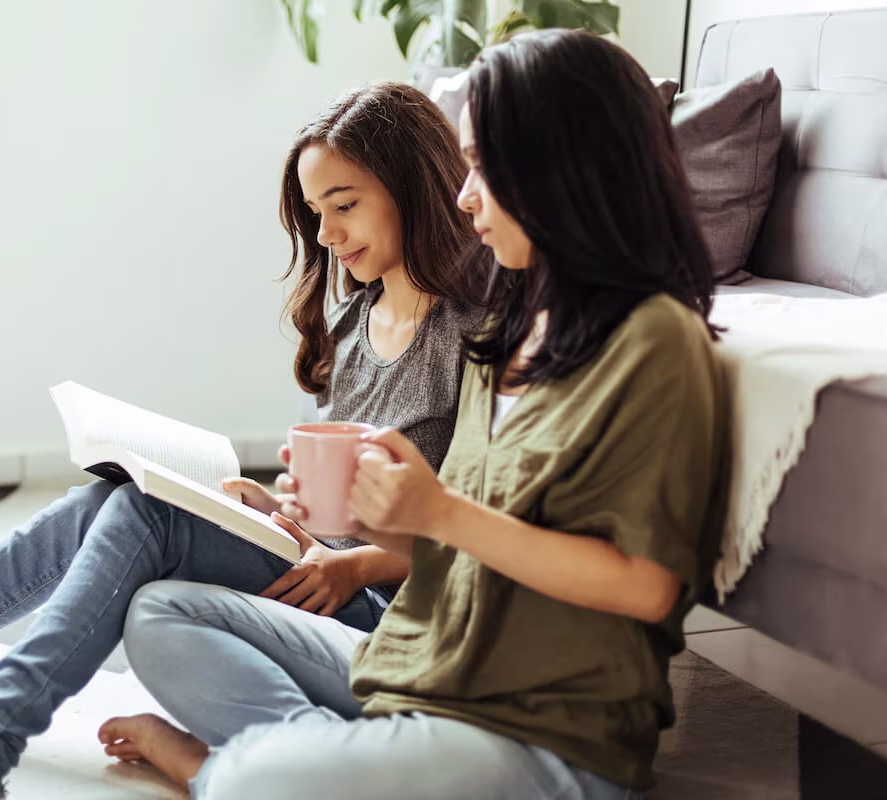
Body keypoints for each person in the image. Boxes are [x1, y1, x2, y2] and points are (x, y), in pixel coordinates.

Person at [0, 82, 489, 800]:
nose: (326, 234)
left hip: (393, 602)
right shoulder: (353, 320)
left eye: (343, 205)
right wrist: (280, 510)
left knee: (141, 521)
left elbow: (482, 518)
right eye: (316, 212)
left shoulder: (478, 333)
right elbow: (345, 498)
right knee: (122, 506)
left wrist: (357, 559)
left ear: (413, 184)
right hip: (317, 571)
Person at [96, 29, 731, 800]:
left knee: (251, 784)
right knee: (161, 613)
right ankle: (330, 761)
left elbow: (647, 589)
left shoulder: (656, 340)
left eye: (482, 168)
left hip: (537, 731)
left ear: (561, 168)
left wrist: (440, 512)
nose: (464, 197)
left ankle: (232, 771)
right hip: (422, 667)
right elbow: (459, 545)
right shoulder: (516, 329)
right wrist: (383, 517)